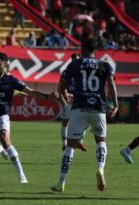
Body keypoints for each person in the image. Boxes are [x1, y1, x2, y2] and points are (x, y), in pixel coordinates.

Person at [0, 52, 57, 183]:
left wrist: (48, 96)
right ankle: (0, 148)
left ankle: (21, 175)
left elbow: (30, 92)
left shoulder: (11, 80)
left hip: (2, 115)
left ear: (5, 64)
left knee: (4, 136)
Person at [51, 38, 118, 192]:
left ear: (81, 49)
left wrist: (64, 94)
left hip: (79, 108)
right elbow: (111, 85)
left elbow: (61, 86)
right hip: (98, 108)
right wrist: (115, 104)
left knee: (70, 146)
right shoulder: (104, 65)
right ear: (96, 49)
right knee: (101, 141)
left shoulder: (75, 64)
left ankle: (61, 182)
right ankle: (100, 169)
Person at [59, 53, 87, 151]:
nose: (75, 61)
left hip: (80, 99)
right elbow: (61, 86)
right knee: (65, 122)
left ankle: (80, 142)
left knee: (84, 122)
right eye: (73, 60)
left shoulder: (83, 72)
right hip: (69, 99)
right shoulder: (66, 72)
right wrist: (63, 100)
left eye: (77, 60)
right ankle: (64, 143)